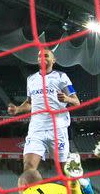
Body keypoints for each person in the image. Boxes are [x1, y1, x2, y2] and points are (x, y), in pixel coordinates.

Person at [7, 49, 80, 185]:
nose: (42, 57)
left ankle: (79, 193)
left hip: (57, 129)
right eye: (39, 55)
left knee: (64, 171)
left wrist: (66, 99)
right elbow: (29, 103)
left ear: (53, 60)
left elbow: (76, 101)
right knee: (28, 168)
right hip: (36, 129)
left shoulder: (61, 77)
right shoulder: (31, 79)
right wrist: (17, 109)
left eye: (46, 55)